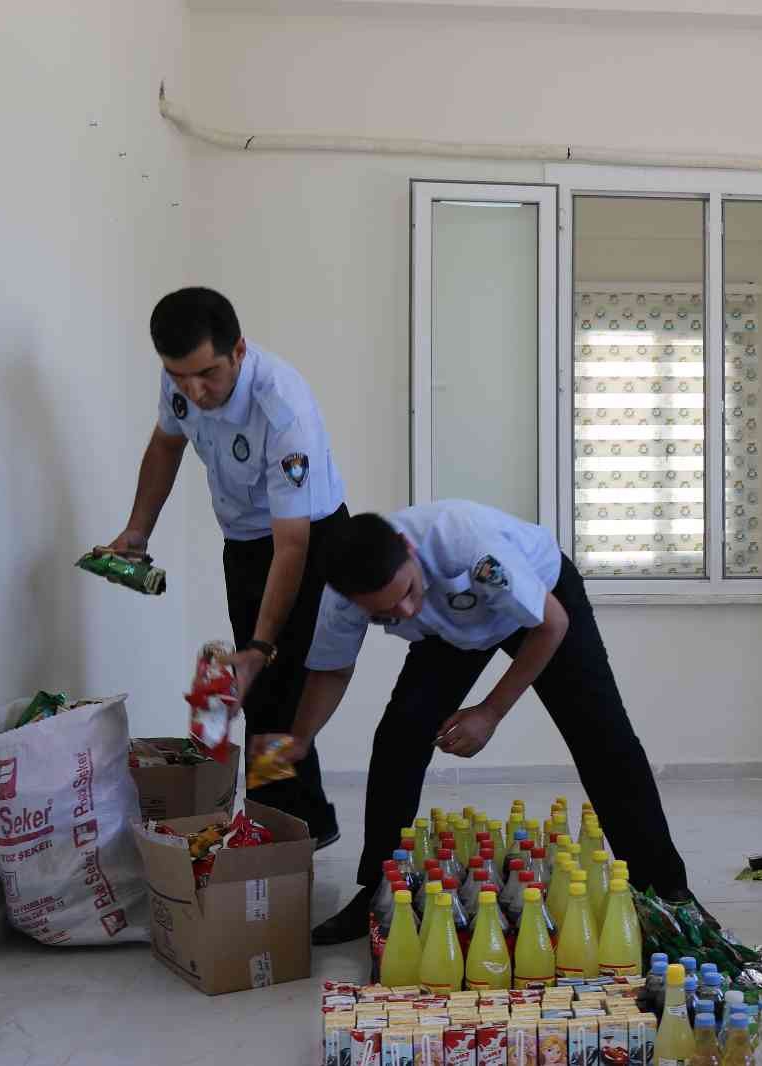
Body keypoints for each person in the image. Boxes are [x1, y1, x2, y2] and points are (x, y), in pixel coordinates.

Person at [254, 500, 693, 945]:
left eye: (406, 592)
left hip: (541, 605)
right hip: (452, 628)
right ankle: (379, 888)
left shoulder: (469, 549)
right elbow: (332, 670)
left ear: (409, 549)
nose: (404, 612)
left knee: (604, 740)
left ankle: (667, 892)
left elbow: (552, 625)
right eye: (385, 613)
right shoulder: (344, 597)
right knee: (399, 739)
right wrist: (300, 739)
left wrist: (490, 711)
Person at [107, 287, 346, 845]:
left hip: (310, 540)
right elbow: (166, 447)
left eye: (207, 374)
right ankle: (302, 818)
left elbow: (291, 546)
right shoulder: (182, 381)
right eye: (178, 375)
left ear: (238, 350)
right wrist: (137, 531)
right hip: (243, 541)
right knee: (263, 694)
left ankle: (280, 824)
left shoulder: (283, 410)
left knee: (274, 688)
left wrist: (260, 648)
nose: (194, 390)